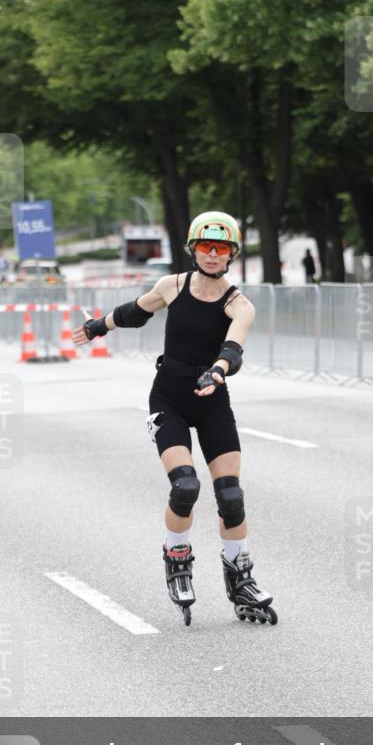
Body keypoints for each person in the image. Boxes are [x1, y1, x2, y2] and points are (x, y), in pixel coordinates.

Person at [73, 211, 277, 628]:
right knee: (185, 486)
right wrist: (97, 326)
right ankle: (177, 557)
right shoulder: (173, 286)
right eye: (206, 246)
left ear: (232, 253)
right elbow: (136, 311)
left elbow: (233, 348)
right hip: (169, 397)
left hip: (212, 399)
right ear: (193, 248)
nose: (214, 254)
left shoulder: (239, 304)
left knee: (231, 496)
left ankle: (241, 578)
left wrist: (218, 370)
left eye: (222, 248)